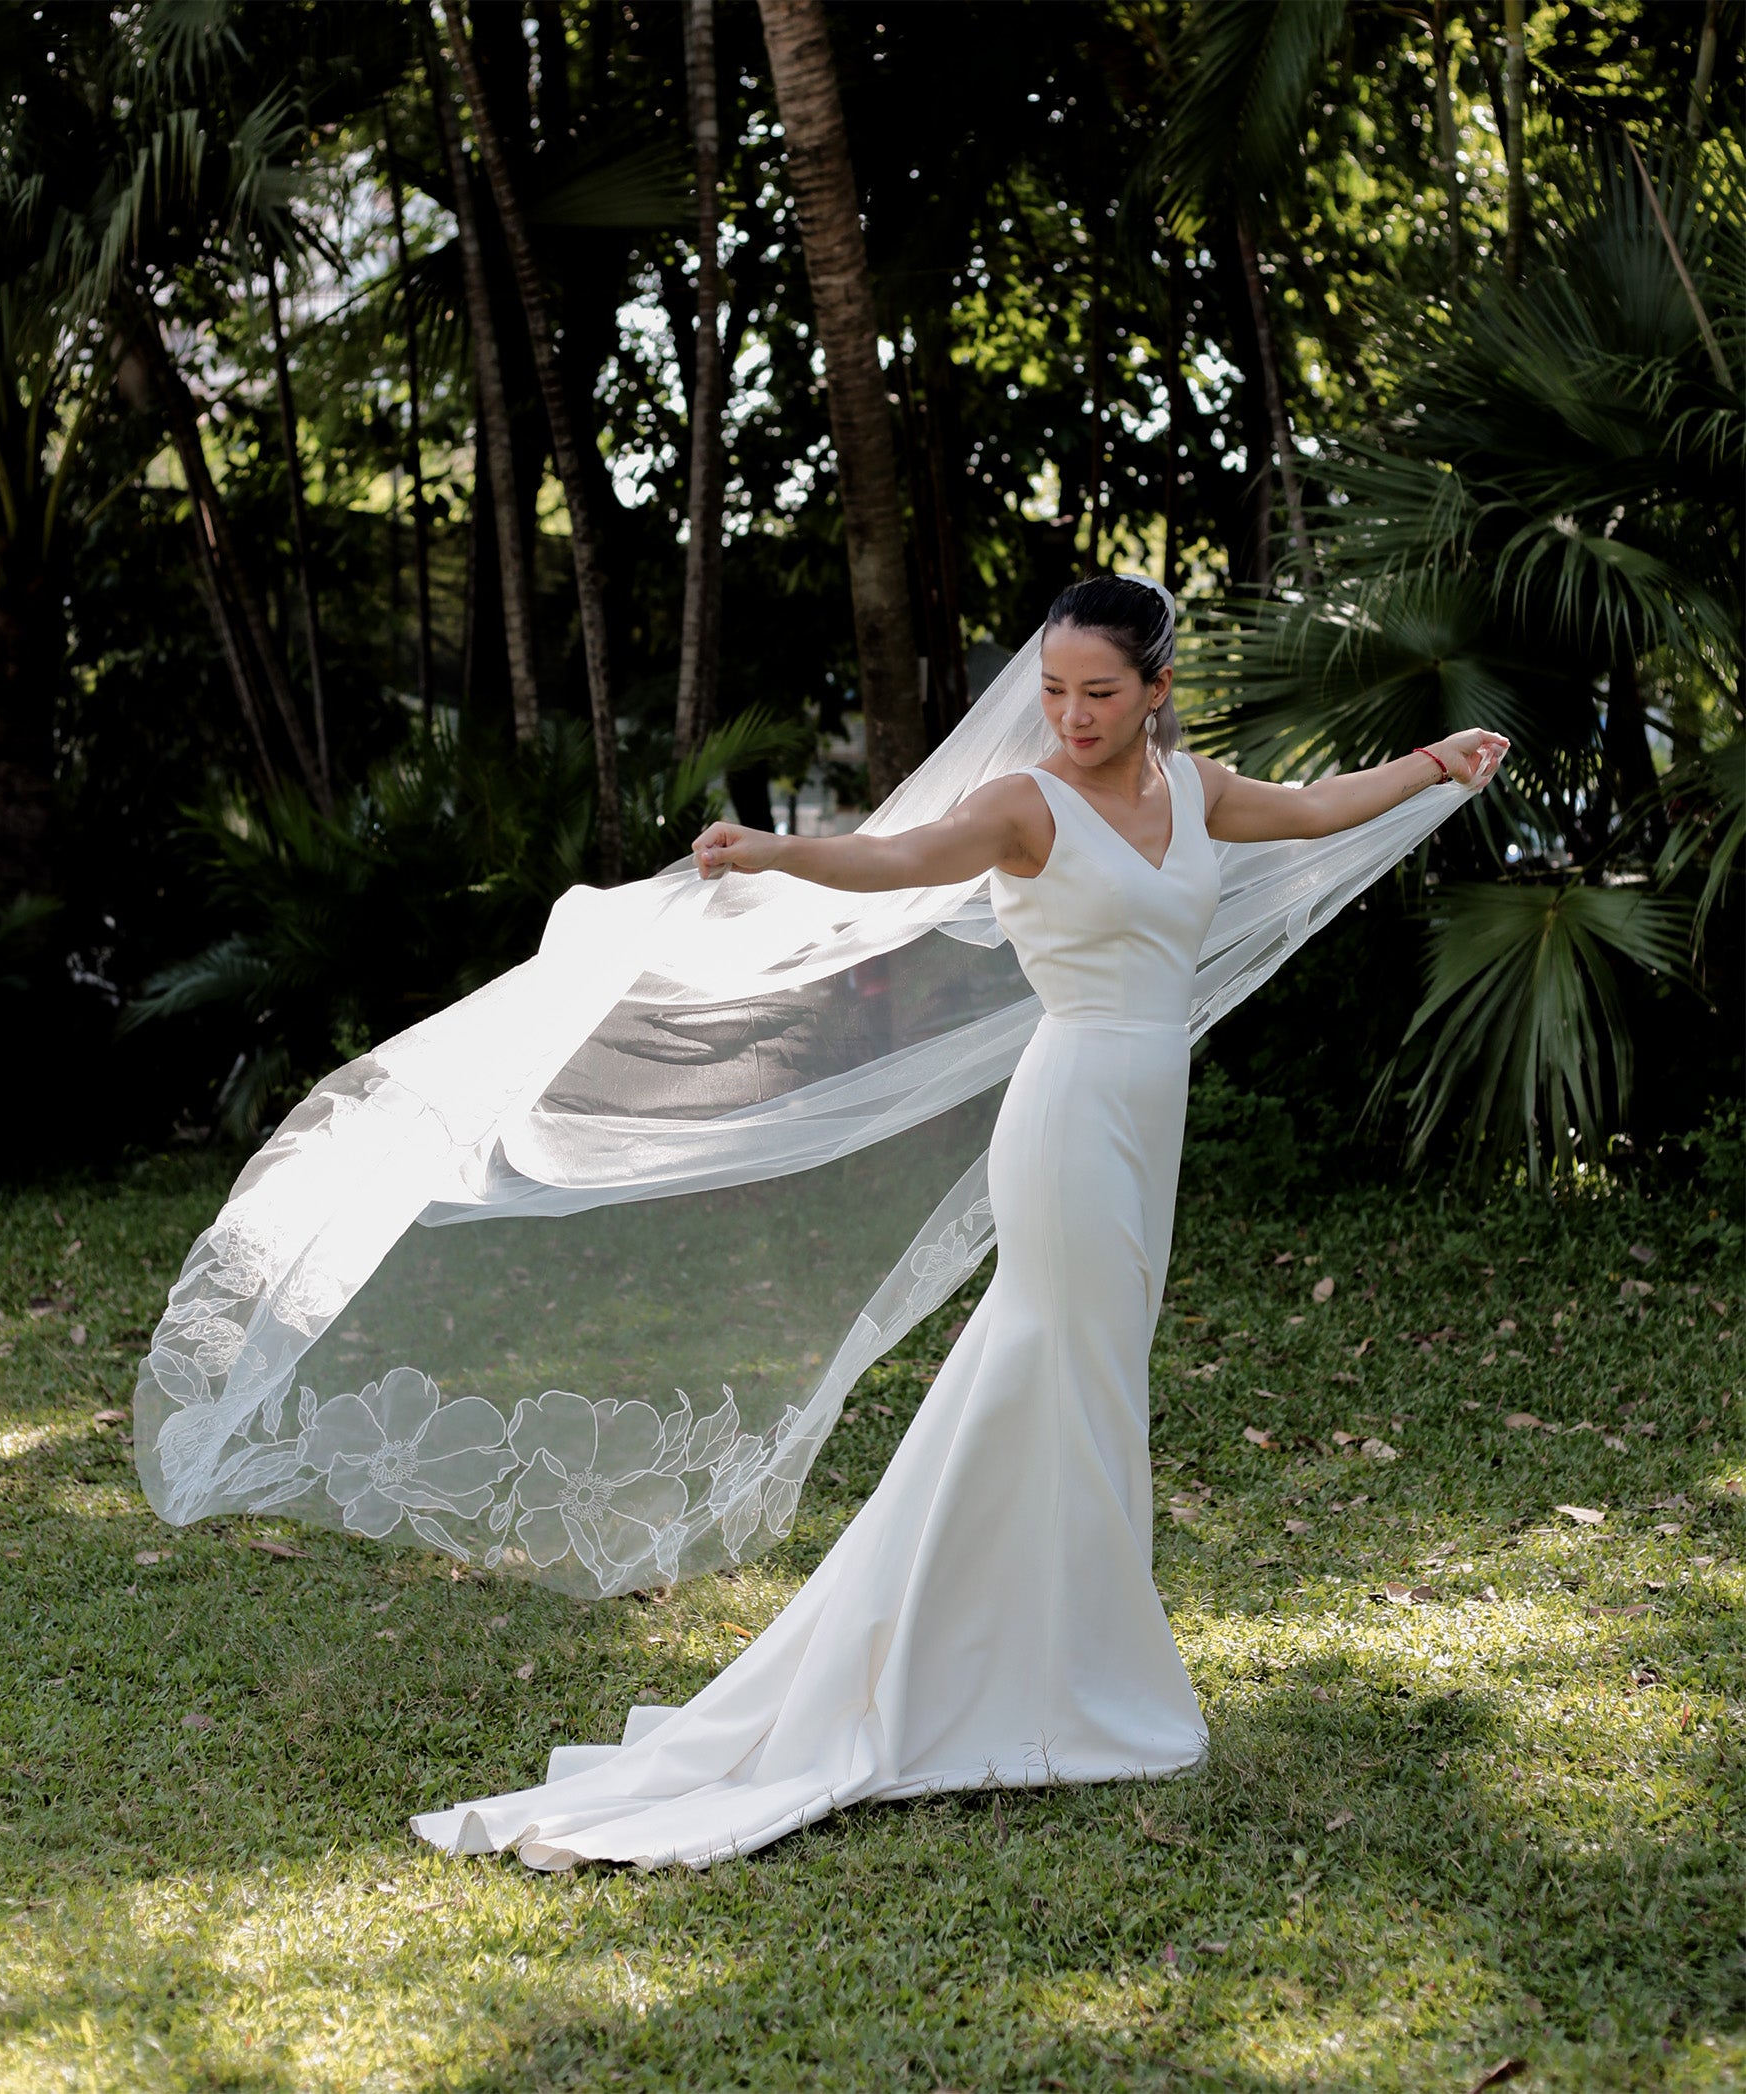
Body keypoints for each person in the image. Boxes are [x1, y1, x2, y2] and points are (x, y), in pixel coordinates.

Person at [408, 575, 1507, 1869]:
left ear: (1158, 690)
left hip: (1146, 1121)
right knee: (1072, 1372)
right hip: (1065, 1117)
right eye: (1051, 690)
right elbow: (890, 859)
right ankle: (1068, 1679)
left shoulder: (1195, 790)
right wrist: (773, 852)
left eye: (1100, 691)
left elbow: (1319, 806)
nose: (1071, 714)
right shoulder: (1020, 803)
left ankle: (1045, 1655)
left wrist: (1438, 762)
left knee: (1076, 1380)